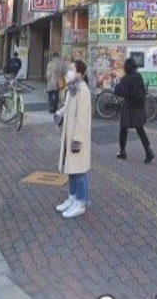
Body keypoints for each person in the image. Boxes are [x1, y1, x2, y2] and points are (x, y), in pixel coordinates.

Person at [55, 60, 92, 219]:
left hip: (78, 138)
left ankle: (81, 202)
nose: (69, 71)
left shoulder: (83, 90)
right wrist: (59, 114)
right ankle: (72, 198)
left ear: (79, 72)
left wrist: (77, 139)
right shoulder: (72, 88)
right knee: (71, 169)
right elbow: (68, 106)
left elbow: (82, 118)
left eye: (72, 69)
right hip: (69, 134)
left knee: (79, 171)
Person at [114, 57, 154, 163]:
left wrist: (117, 86)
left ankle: (122, 151)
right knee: (140, 129)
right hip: (139, 106)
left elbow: (118, 91)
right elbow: (143, 90)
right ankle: (148, 151)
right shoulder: (138, 76)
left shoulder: (127, 78)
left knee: (123, 128)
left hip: (129, 107)